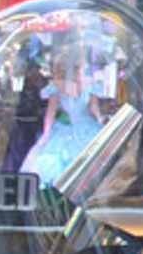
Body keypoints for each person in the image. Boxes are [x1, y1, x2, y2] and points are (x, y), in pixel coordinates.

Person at [20, 49, 105, 188]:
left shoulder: (57, 88)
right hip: (87, 127)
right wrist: (101, 122)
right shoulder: (89, 85)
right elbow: (94, 109)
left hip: (64, 129)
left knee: (53, 162)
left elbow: (50, 114)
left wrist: (46, 134)